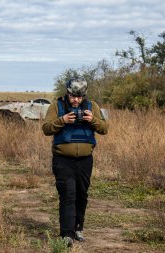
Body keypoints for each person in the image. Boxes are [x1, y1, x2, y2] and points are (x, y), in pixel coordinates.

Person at [42, 77, 109, 247]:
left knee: (81, 194)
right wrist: (62, 121)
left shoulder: (91, 106)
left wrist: (92, 119)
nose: (76, 100)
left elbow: (104, 129)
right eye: (73, 96)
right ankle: (67, 234)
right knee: (68, 194)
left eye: (79, 97)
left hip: (85, 160)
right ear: (67, 93)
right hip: (62, 160)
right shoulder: (56, 106)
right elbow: (46, 128)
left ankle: (78, 228)